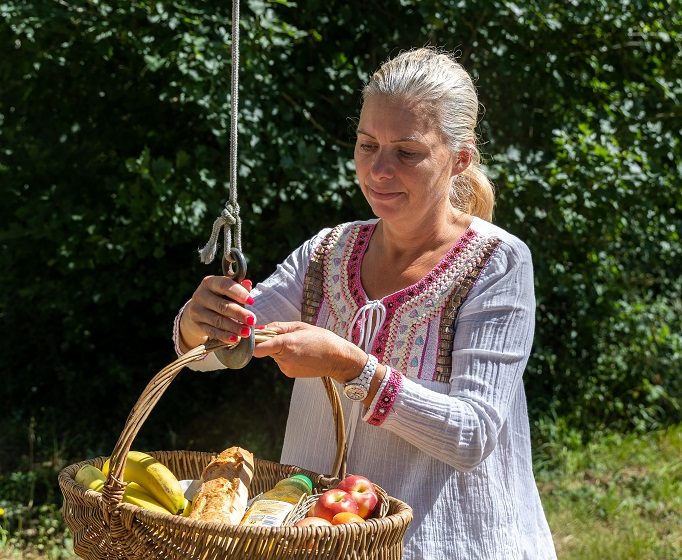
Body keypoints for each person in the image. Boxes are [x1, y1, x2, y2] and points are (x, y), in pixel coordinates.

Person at [173, 47, 557, 559]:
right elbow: (222, 349)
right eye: (367, 144)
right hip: (318, 542)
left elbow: (471, 435)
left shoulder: (497, 262)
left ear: (460, 158)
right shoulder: (327, 252)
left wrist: (352, 367)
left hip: (448, 543)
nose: (379, 169)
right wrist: (203, 323)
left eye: (407, 152)